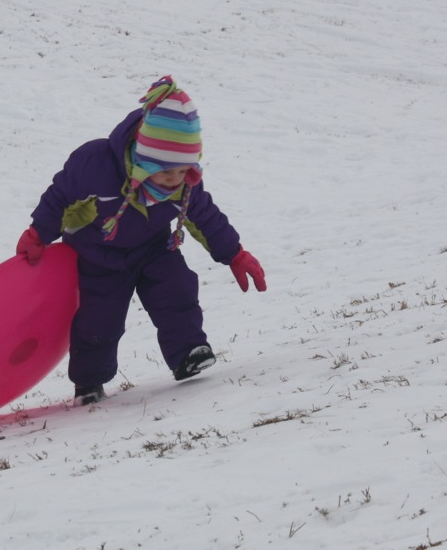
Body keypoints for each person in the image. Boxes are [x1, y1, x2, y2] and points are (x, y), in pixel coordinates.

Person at [16, 75, 266, 406]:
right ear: (144, 158)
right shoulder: (96, 166)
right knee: (97, 322)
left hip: (152, 248)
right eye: (166, 173)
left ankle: (188, 352)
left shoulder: (182, 185)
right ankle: (89, 383)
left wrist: (234, 254)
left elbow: (205, 217)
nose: (174, 180)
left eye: (182, 172)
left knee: (177, 289)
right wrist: (39, 233)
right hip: (97, 256)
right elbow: (59, 197)